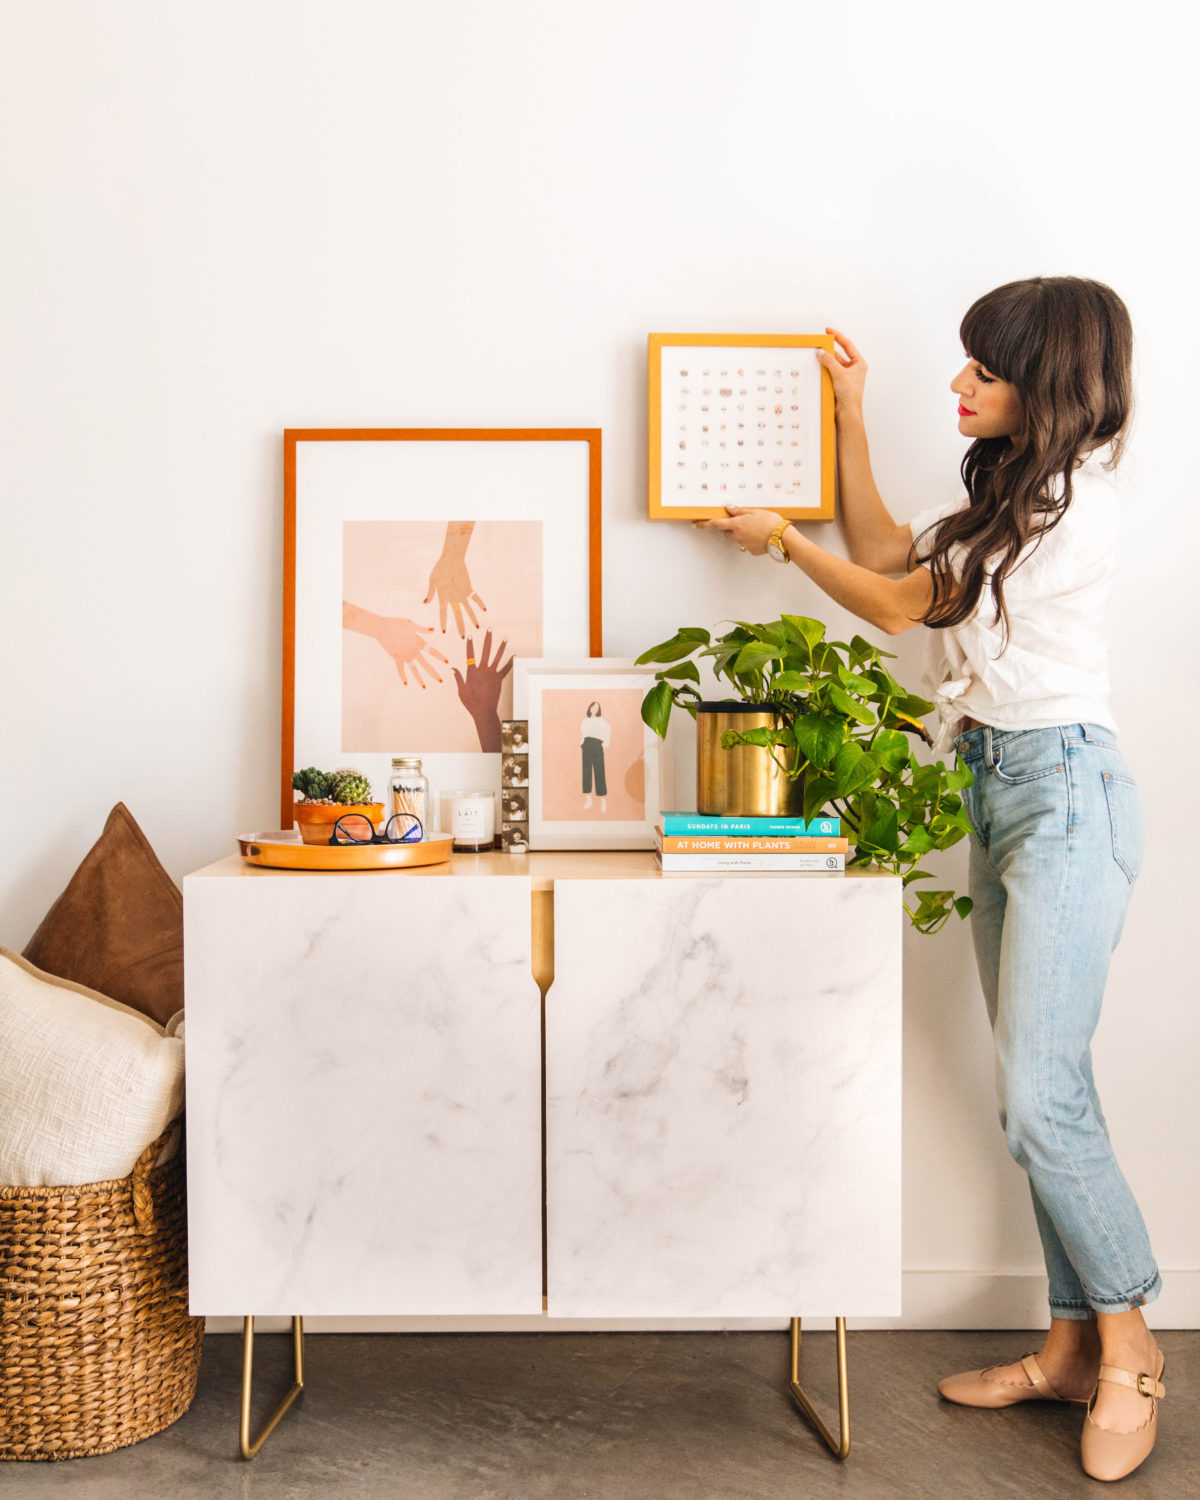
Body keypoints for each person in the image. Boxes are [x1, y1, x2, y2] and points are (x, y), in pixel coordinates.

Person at [696, 279, 1162, 1484]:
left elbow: (904, 605)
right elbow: (888, 553)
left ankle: (1133, 1352)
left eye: (983, 373)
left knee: (1036, 1099)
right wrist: (848, 415)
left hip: (1066, 794)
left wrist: (779, 545)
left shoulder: (1076, 511)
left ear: (1046, 387)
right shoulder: (1006, 499)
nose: (958, 387)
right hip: (999, 790)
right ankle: (1067, 1350)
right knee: (1043, 1089)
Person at [580, 700, 610, 812]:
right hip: (586, 745)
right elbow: (583, 733)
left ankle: (603, 801)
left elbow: (607, 731)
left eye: (597, 707)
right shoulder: (585, 721)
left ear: (599, 709)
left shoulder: (602, 721)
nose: (594, 708)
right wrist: (582, 742)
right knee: (586, 771)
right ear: (590, 708)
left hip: (597, 744)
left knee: (599, 771)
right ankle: (588, 799)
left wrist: (606, 742)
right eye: (593, 706)